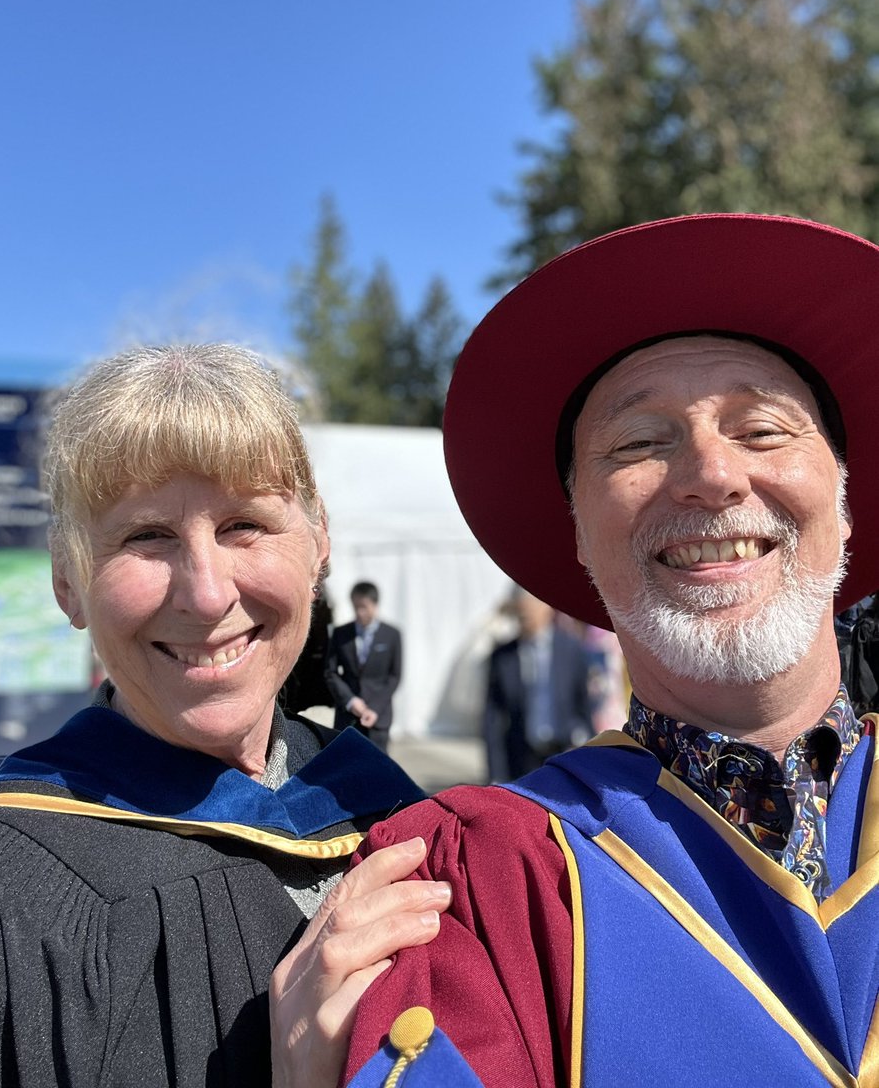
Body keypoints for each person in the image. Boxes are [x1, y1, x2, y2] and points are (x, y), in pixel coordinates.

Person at [335, 214, 879, 1087]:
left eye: (764, 429)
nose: (711, 473)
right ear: (579, 533)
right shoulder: (479, 887)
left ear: (847, 500)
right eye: (638, 443)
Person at [0, 344, 451, 1087]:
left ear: (319, 539)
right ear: (67, 581)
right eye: (146, 536)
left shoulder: (389, 807)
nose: (205, 594)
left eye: (245, 525)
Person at [484, 588, 593, 781]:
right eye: (521, 613)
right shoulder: (504, 656)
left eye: (530, 610)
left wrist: (585, 745)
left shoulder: (570, 649)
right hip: (521, 757)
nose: (525, 617)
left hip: (562, 752)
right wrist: (495, 774)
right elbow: (493, 719)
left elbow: (582, 705)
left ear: (547, 609)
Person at [326, 581, 402, 751]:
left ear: (375, 605)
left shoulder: (392, 635)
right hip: (347, 717)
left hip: (378, 718)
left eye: (364, 607)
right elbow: (330, 672)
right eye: (355, 607)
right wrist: (351, 701)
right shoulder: (341, 633)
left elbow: (394, 677)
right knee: (344, 767)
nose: (359, 612)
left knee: (377, 771)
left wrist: (374, 708)